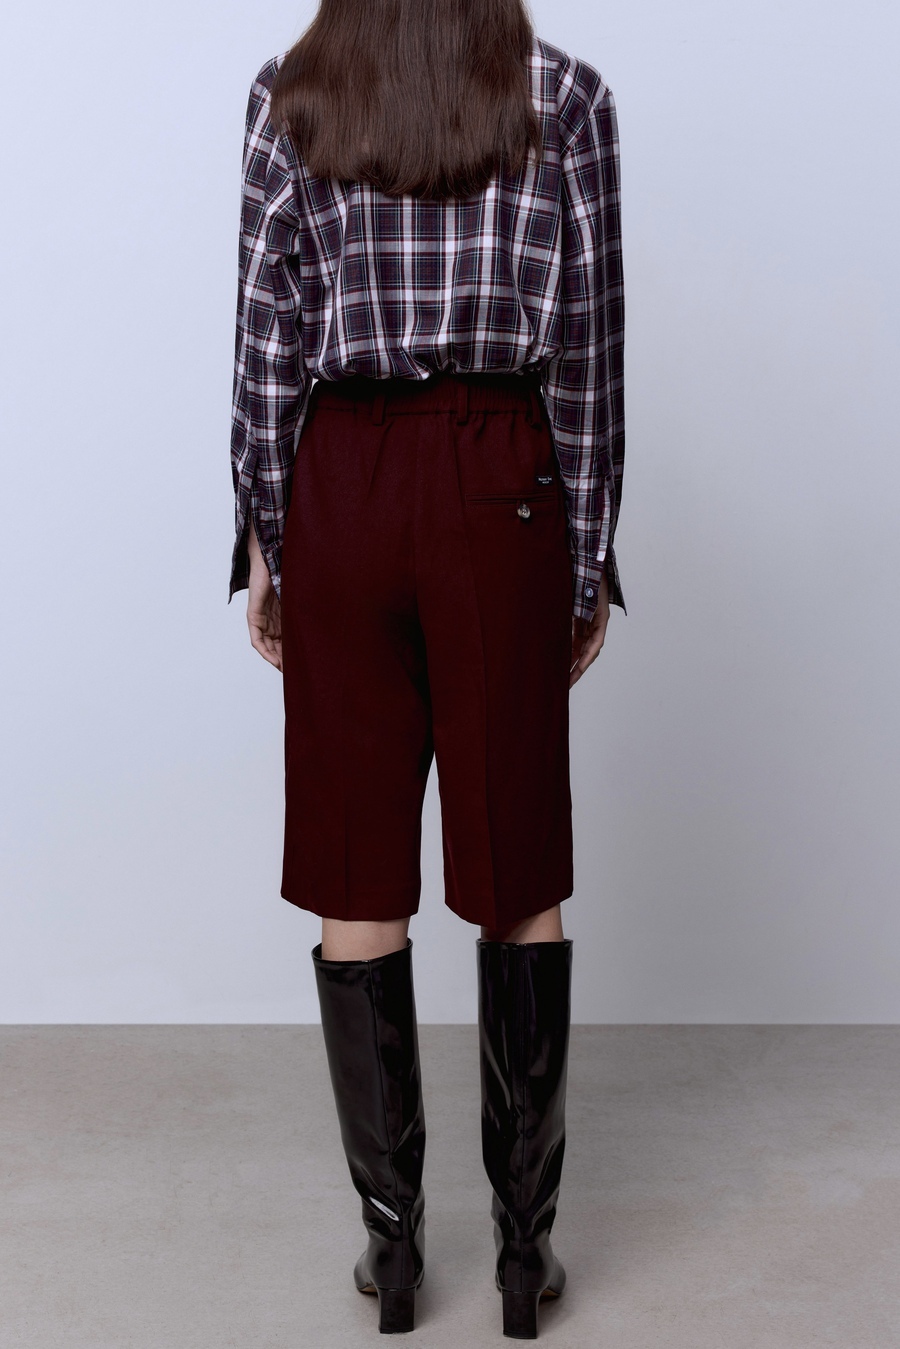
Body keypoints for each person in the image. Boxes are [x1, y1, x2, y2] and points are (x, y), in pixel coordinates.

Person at [228, 0, 626, 1336]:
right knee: (517, 866)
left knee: (356, 868)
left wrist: (270, 538)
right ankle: (523, 1255)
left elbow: (267, 339)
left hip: (342, 480)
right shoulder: (564, 94)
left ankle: (393, 1249)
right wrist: (585, 556)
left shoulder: (292, 91)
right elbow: (588, 354)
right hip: (500, 482)